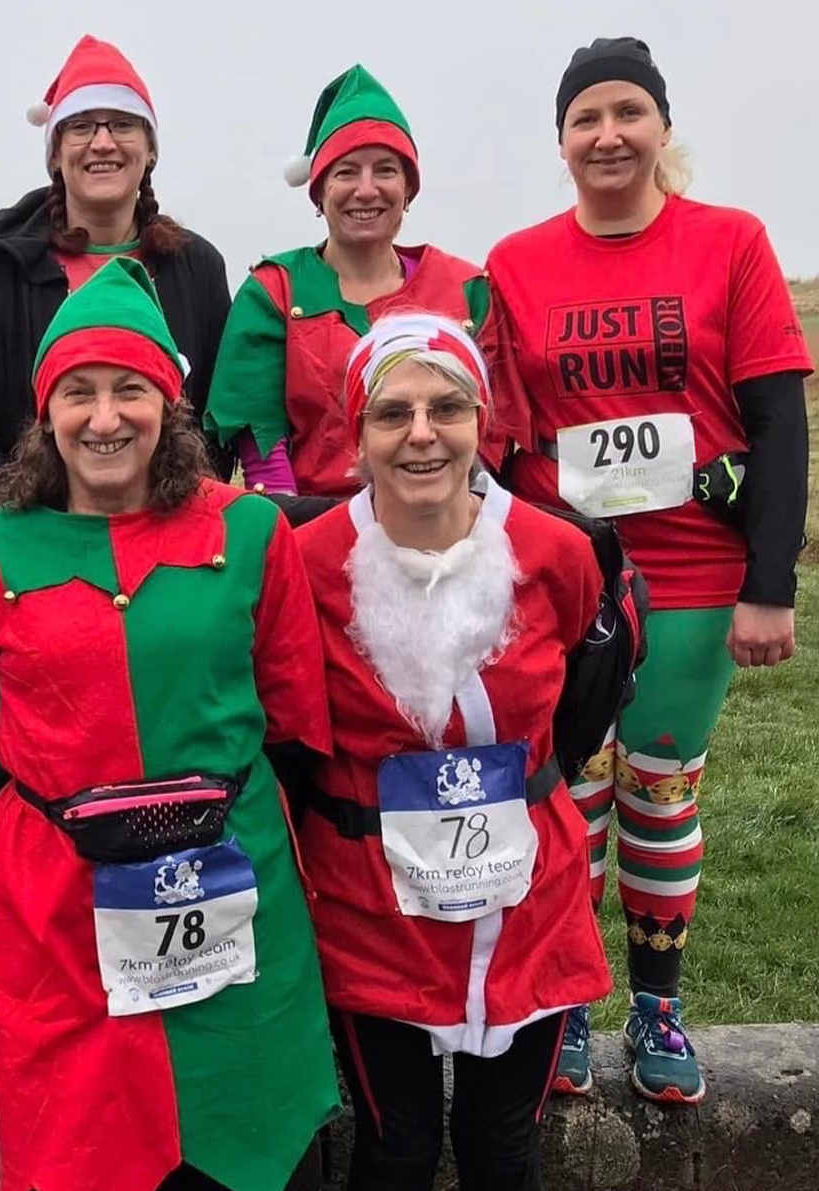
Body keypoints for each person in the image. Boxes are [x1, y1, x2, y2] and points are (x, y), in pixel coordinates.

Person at [0, 257, 339, 1191]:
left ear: (170, 403)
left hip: (232, 875)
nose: (105, 417)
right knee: (81, 1143)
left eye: (130, 389)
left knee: (239, 1134)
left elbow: (290, 709)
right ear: (46, 412)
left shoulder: (251, 532)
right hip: (59, 901)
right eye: (78, 392)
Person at [485, 36, 812, 1105]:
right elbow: (498, 431)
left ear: (662, 127)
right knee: (570, 798)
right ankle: (570, 1004)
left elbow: (778, 421)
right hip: (569, 580)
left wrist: (771, 584)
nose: (607, 134)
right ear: (561, 141)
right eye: (585, 118)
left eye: (628, 111)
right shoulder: (517, 262)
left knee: (660, 793)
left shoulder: (730, 242)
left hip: (695, 579)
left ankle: (657, 1007)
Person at [292, 313, 613, 1191]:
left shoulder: (559, 550)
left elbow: (579, 696)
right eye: (393, 413)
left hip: (526, 904)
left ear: (482, 420)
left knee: (503, 1143)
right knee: (395, 1146)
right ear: (357, 433)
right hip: (371, 909)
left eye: (447, 408)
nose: (422, 433)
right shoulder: (307, 563)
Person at [0, 34, 231, 513]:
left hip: (166, 526)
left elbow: (212, 430)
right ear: (55, 154)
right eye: (80, 126)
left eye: (123, 124)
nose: (103, 142)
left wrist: (177, 523)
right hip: (29, 530)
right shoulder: (0, 266)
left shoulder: (198, 267)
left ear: (150, 149)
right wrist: (25, 527)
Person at [204, 66, 498, 497]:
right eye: (346, 172)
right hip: (312, 520)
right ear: (319, 191)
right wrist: (297, 527)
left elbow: (488, 438)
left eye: (385, 170)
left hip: (446, 515)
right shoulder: (275, 292)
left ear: (408, 189)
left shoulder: (465, 288)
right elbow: (262, 443)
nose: (366, 190)